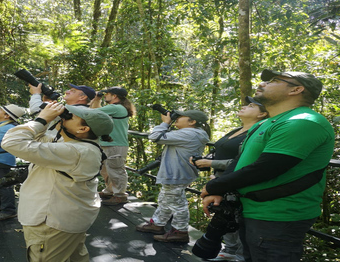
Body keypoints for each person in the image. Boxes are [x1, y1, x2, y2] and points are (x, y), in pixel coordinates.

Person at [201, 70, 334, 262]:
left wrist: (213, 186)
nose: (262, 84)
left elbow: (267, 167)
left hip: (278, 215)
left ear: (296, 89)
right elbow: (241, 160)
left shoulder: (303, 121)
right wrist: (220, 189)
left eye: (273, 81)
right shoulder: (264, 124)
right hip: (250, 209)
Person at [1, 102, 114, 262]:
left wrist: (41, 120)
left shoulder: (75, 151)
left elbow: (12, 142)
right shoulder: (76, 145)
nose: (63, 116)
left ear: (83, 129)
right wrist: (48, 119)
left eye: (70, 116)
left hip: (52, 224)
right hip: (68, 221)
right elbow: (38, 138)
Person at [192, 97, 268, 262]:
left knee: (238, 219)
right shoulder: (237, 130)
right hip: (221, 179)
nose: (244, 106)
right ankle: (229, 251)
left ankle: (240, 256)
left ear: (262, 114)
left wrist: (211, 163)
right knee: (225, 216)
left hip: (237, 181)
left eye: (251, 106)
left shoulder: (258, 132)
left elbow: (246, 161)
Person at [136, 109, 211, 242]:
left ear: (192, 122)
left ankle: (180, 231)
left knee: (177, 204)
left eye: (181, 116)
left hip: (177, 173)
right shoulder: (191, 132)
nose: (176, 118)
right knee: (165, 199)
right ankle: (157, 224)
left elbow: (155, 137)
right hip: (176, 172)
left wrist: (165, 123)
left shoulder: (191, 133)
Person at [90, 86, 136, 205]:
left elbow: (90, 113)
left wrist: (94, 99)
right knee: (106, 170)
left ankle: (120, 195)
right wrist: (97, 99)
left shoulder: (116, 108)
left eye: (107, 94)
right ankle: (110, 190)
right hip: (109, 143)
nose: (105, 96)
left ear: (114, 96)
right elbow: (98, 113)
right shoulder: (115, 108)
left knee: (116, 170)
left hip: (115, 144)